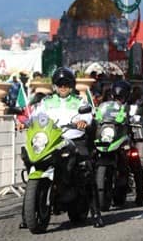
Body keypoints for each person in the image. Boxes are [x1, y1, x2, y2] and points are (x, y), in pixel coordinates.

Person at [17, 67, 103, 228]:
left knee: (87, 170)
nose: (63, 87)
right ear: (55, 86)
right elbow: (35, 117)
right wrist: (24, 123)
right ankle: (26, 216)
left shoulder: (79, 102)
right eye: (60, 84)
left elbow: (88, 115)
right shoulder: (46, 102)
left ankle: (96, 214)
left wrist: (83, 121)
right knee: (32, 164)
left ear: (71, 85)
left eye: (66, 84)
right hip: (51, 140)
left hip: (73, 139)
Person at [109, 80, 143, 206]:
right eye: (117, 96)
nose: (119, 99)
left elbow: (138, 118)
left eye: (121, 96)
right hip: (109, 141)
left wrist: (137, 121)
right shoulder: (107, 106)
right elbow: (99, 115)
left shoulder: (131, 107)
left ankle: (140, 197)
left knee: (136, 165)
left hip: (125, 141)